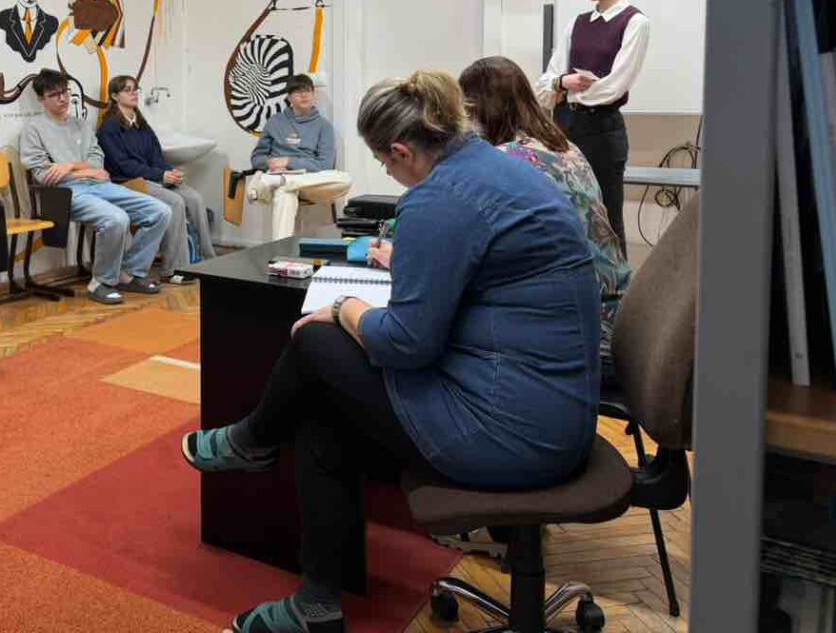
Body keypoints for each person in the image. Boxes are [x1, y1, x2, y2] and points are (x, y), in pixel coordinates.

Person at [183, 71, 600, 633]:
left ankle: (251, 440)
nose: (388, 173)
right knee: (323, 411)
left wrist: (344, 308)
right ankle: (315, 607)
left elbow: (406, 343)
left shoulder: (440, 198)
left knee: (316, 341)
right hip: (554, 412)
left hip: (509, 433)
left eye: (384, 163)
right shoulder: (495, 167)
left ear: (402, 151)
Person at [460, 55, 631, 388]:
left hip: (583, 335)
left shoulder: (505, 159)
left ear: (482, 109)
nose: (464, 121)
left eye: (467, 110)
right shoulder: (566, 148)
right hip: (619, 318)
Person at [19, 69, 171, 305]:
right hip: (64, 193)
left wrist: (69, 166)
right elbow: (44, 175)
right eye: (55, 94)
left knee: (160, 211)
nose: (63, 98)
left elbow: (97, 162)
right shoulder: (34, 129)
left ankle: (129, 272)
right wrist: (85, 171)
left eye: (65, 92)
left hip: (98, 185)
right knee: (116, 219)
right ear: (41, 99)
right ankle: (100, 282)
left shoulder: (81, 125)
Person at [535, 0, 650, 252]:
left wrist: (565, 88)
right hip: (563, 127)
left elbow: (614, 86)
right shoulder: (577, 23)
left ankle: (616, 283)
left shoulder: (634, 22)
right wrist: (564, 82)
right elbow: (545, 84)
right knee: (565, 212)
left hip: (602, 130)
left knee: (607, 218)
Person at [97, 75, 215, 276]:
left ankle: (208, 259)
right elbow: (123, 166)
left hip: (151, 177)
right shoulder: (109, 128)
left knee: (195, 198)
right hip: (128, 182)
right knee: (175, 201)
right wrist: (161, 175)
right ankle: (175, 268)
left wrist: (170, 172)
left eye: (135, 89)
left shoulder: (142, 125)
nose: (134, 93)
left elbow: (156, 157)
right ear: (115, 96)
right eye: (127, 90)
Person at [247, 74, 352, 240]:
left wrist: (289, 161)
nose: (304, 95)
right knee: (285, 194)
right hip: (280, 176)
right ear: (289, 97)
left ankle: (283, 181)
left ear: (313, 94)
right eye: (298, 92)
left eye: (307, 91)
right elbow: (257, 158)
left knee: (345, 179)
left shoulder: (324, 126)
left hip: (310, 183)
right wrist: (270, 163)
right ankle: (281, 250)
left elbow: (325, 165)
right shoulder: (275, 122)